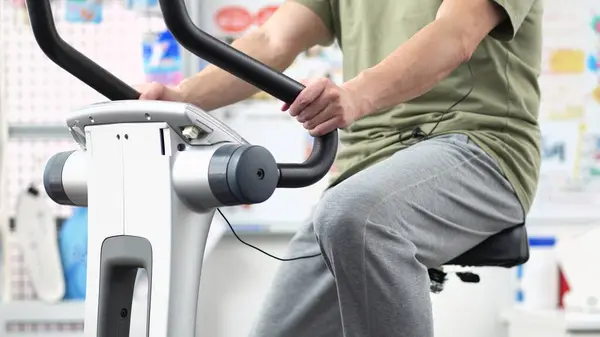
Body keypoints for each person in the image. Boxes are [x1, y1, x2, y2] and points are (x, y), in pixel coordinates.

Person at [139, 0, 542, 335]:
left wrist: (357, 95)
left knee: (358, 215)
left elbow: (456, 33)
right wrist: (179, 101)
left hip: (481, 148)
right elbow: (272, 39)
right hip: (362, 172)